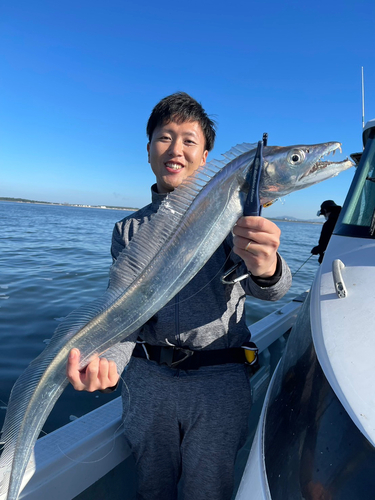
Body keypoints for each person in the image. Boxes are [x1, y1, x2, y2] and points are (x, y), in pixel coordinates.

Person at [66, 92, 292, 500]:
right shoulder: (128, 231)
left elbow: (273, 290)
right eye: (164, 137)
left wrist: (267, 266)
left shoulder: (237, 213)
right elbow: (124, 314)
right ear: (149, 150)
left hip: (219, 380)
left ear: (206, 157)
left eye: (190, 140)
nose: (176, 150)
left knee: (209, 491)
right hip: (147, 383)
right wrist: (106, 362)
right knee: (152, 489)